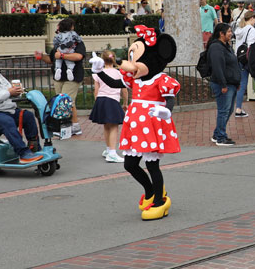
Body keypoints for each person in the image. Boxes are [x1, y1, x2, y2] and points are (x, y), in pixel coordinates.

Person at [90, 26, 181, 220]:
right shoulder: (135, 80)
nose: (133, 63)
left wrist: (165, 110)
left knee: (152, 164)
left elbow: (170, 99)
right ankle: (150, 191)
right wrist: (99, 72)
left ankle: (160, 201)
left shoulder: (161, 79)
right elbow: (115, 83)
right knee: (130, 164)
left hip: (152, 125)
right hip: (136, 126)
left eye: (137, 58)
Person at [37, 18, 85, 136]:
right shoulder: (58, 43)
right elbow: (53, 58)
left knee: (67, 101)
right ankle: (65, 125)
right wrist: (42, 56)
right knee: (60, 102)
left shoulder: (76, 41)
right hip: (58, 77)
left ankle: (73, 126)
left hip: (72, 77)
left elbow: (79, 56)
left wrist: (63, 55)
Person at [90, 50, 128, 162]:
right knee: (114, 127)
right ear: (114, 59)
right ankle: (112, 152)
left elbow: (96, 91)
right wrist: (125, 103)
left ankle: (108, 149)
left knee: (106, 126)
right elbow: (124, 90)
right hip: (112, 100)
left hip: (101, 100)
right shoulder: (118, 73)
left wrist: (97, 102)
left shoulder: (98, 73)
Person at [207, 22, 240, 146]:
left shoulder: (226, 46)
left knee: (228, 110)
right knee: (223, 110)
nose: (231, 34)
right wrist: (223, 84)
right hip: (223, 84)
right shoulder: (216, 47)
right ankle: (221, 137)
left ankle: (217, 134)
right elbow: (217, 67)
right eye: (229, 31)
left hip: (231, 83)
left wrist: (237, 81)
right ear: (221, 34)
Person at [233, 10, 255, 117]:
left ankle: (238, 108)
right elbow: (251, 46)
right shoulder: (251, 30)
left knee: (242, 84)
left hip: (240, 59)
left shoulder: (239, 29)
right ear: (252, 18)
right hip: (249, 60)